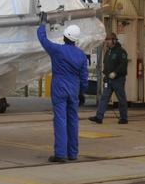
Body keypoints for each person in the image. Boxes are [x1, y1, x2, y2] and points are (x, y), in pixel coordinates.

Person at [37, 20, 88, 163]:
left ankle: (60, 154)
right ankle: (73, 153)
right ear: (75, 40)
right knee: (73, 120)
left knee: (60, 120)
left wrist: (42, 24)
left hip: (59, 87)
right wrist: (82, 92)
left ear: (64, 37)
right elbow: (84, 77)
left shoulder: (57, 50)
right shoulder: (81, 55)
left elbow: (43, 39)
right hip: (74, 89)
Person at [90, 33, 129, 124]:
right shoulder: (108, 52)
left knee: (121, 98)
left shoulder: (121, 52)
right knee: (104, 98)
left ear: (114, 41)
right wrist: (105, 75)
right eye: (106, 40)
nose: (107, 42)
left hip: (118, 79)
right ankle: (99, 117)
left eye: (109, 40)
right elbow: (106, 65)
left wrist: (115, 73)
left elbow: (123, 65)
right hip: (109, 79)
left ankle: (124, 118)